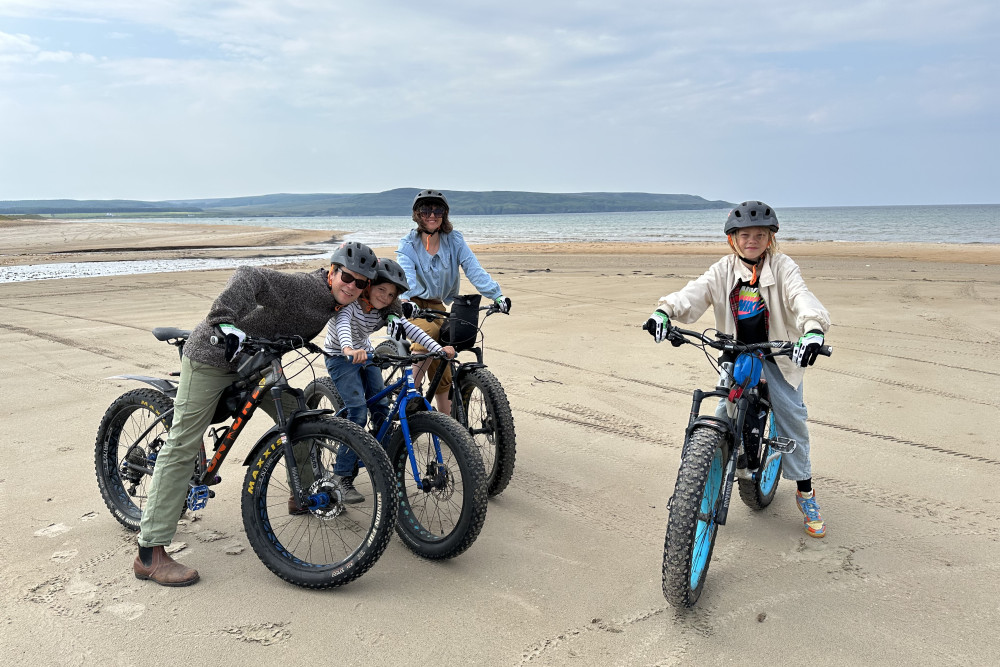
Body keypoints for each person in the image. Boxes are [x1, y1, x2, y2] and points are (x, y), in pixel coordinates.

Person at [133, 241, 379, 586]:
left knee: (298, 418)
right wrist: (224, 320)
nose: (352, 287)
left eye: (360, 283)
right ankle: (149, 553)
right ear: (332, 272)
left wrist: (399, 311)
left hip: (256, 364)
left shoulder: (344, 300)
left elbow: (386, 296)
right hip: (213, 357)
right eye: (347, 277)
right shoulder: (305, 288)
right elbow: (249, 274)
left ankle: (303, 494)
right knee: (183, 444)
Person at [645, 200, 831, 538]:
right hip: (736, 352)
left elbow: (801, 297)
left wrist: (813, 329)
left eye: (760, 235)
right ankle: (702, 481)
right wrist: (665, 311)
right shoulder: (724, 269)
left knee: (792, 419)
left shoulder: (783, 266)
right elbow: (695, 291)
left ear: (770, 238)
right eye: (745, 235)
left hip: (777, 354)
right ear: (733, 239)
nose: (752, 241)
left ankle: (805, 493)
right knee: (722, 412)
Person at [322, 257, 455, 503]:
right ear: (369, 286)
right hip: (340, 356)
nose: (385, 297)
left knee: (382, 407)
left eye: (391, 294)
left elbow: (412, 330)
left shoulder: (385, 310)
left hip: (366, 354)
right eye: (381, 289)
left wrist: (437, 348)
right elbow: (342, 327)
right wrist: (348, 349)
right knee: (357, 412)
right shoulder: (351, 306)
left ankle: (380, 460)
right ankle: (341, 475)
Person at [396, 189, 510, 413]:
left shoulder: (454, 240)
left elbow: (473, 269)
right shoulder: (408, 243)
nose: (432, 215)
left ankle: (447, 425)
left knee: (445, 356)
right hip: (412, 305)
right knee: (428, 332)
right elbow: (405, 275)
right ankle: (409, 395)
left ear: (444, 214)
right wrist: (405, 299)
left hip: (437, 305)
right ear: (417, 214)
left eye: (437, 210)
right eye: (425, 210)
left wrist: (497, 295)